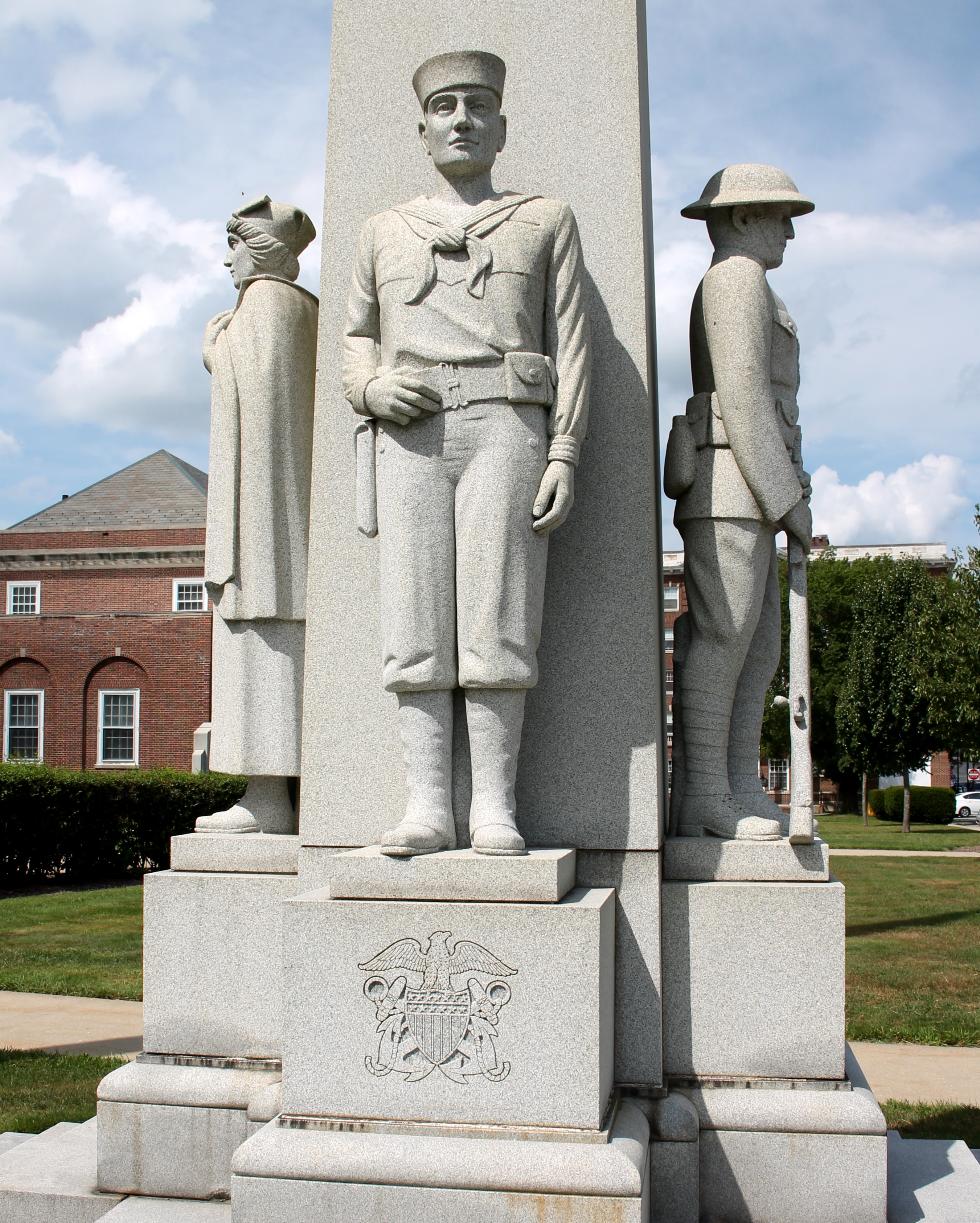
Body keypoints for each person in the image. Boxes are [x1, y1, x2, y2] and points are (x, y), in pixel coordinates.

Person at [343, 51, 591, 857]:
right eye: (445, 106)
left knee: (497, 615)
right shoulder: (382, 230)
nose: (461, 119)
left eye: (477, 105)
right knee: (415, 619)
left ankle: (493, 804)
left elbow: (573, 345)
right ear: (421, 130)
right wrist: (371, 389)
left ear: (501, 125)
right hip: (409, 433)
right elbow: (355, 337)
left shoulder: (544, 219)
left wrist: (564, 449)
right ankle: (427, 804)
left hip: (506, 427)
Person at [665, 164, 813, 841]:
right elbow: (747, 402)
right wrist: (787, 501)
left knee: (759, 647)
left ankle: (738, 783)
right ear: (743, 218)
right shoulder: (736, 279)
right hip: (731, 485)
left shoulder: (753, 284)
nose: (786, 229)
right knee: (725, 637)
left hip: (749, 487)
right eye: (778, 215)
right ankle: (703, 793)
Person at [195, 196, 318, 834]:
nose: (227, 258)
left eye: (236, 244)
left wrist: (218, 358)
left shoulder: (268, 307)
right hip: (270, 528)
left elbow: (266, 419)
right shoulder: (299, 309)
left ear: (262, 249)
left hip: (263, 530)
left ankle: (268, 800)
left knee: (263, 655)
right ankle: (268, 795)